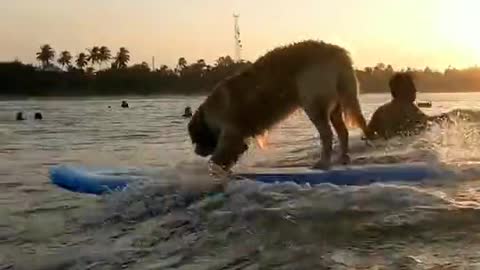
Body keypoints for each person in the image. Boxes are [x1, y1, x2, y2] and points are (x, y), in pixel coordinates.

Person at [367, 72, 450, 140]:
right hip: (402, 150)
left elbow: (367, 135)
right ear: (402, 90)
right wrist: (443, 118)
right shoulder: (408, 108)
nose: (415, 90)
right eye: (411, 86)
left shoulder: (380, 111)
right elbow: (425, 122)